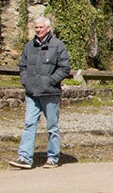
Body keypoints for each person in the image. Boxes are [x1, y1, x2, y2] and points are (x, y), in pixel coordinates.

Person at [11, 14, 75, 168]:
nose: (38, 30)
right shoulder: (29, 46)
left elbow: (65, 68)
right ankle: (25, 157)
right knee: (29, 124)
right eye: (36, 27)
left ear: (48, 28)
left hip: (50, 93)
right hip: (32, 92)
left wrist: (51, 81)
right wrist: (26, 81)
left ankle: (53, 157)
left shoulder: (58, 45)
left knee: (52, 126)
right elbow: (23, 66)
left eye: (41, 27)